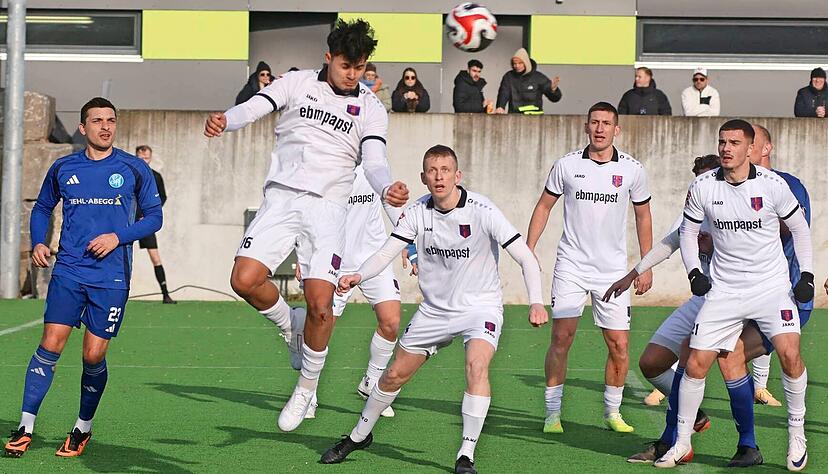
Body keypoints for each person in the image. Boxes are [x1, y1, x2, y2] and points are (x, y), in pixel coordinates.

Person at [203, 19, 409, 433]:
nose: (352, 74)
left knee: (320, 305)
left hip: (328, 209)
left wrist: (387, 188)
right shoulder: (297, 83)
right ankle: (289, 324)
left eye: (360, 67)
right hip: (281, 198)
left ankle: (305, 387)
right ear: (328, 57)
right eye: (346, 65)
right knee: (243, 280)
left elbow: (374, 160)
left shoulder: (370, 108)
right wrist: (227, 120)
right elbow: (255, 107)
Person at [319, 144, 548, 474]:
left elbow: (525, 256)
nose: (439, 177)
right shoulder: (416, 212)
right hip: (434, 312)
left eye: (445, 170)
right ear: (423, 177)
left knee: (477, 366)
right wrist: (358, 275)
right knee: (393, 375)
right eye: (432, 171)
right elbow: (385, 254)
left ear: (457, 175)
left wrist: (536, 301)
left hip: (480, 308)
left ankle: (466, 454)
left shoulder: (483, 210)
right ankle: (358, 436)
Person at [3, 97, 162, 458]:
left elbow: (155, 217)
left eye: (111, 120)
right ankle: (25, 427)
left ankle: (82, 428)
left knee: (93, 355)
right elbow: (43, 207)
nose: (105, 127)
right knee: (50, 344)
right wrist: (39, 241)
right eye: (97, 121)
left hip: (111, 277)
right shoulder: (64, 167)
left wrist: (117, 237)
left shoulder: (134, 168)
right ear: (83, 127)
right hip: (69, 271)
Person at [656, 120, 813, 471]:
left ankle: (797, 433)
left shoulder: (773, 185)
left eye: (735, 143)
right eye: (722, 142)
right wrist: (694, 271)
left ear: (750, 148)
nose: (727, 148)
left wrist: (806, 275)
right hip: (724, 291)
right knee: (696, 362)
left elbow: (800, 229)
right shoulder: (702, 186)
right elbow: (686, 232)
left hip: (771, 289)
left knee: (790, 353)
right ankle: (682, 442)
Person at [526, 101, 653, 434]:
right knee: (561, 338)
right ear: (586, 126)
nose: (599, 128)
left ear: (616, 129)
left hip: (613, 272)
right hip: (571, 266)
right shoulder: (567, 165)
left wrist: (646, 265)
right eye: (594, 122)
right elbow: (544, 206)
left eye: (606, 123)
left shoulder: (632, 169)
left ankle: (613, 413)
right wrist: (529, 250)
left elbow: (643, 216)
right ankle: (552, 414)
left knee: (619, 345)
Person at [306, 164, 403, 419]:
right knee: (321, 329)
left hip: (374, 258)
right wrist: (304, 255)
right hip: (333, 261)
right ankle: (307, 393)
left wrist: (408, 242)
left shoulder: (375, 165)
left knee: (391, 321)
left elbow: (390, 201)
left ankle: (371, 382)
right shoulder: (325, 165)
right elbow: (306, 214)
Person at [134, 145, 175, 304]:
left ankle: (165, 294)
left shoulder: (156, 176)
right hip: (128, 223)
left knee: (155, 257)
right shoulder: (128, 175)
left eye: (146, 158)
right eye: (141, 158)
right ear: (136, 157)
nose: (144, 160)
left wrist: (148, 214)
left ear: (150, 158)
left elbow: (162, 197)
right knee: (119, 255)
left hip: (145, 224)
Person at [495, 48, 561, 114]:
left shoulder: (538, 77)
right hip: (515, 117)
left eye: (520, 63)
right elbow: (503, 93)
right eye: (514, 63)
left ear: (526, 63)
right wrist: (500, 107)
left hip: (535, 117)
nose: (517, 66)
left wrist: (553, 90)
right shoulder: (509, 77)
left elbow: (555, 99)